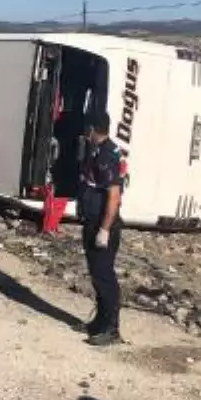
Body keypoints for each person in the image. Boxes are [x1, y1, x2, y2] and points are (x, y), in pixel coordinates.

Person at [77, 113, 127, 346]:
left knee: (105, 275)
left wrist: (104, 229)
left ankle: (112, 327)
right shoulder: (96, 150)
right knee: (96, 274)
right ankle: (100, 320)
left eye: (88, 128)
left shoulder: (106, 155)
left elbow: (113, 196)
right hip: (91, 220)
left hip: (102, 223)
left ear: (93, 129)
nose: (85, 132)